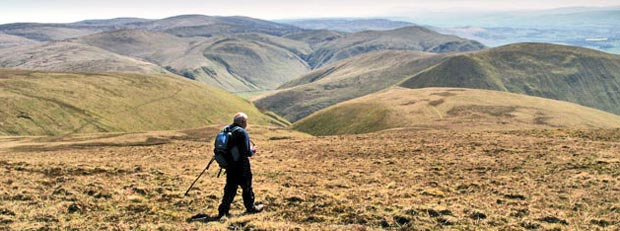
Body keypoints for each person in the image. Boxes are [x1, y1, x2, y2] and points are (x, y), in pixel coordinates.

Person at [217, 112, 263, 218]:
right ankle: (250, 207)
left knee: (230, 187)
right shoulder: (242, 132)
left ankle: (223, 210)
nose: (247, 124)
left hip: (229, 165)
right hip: (241, 165)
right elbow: (247, 152)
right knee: (246, 187)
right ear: (242, 122)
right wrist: (253, 150)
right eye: (246, 122)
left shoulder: (227, 129)